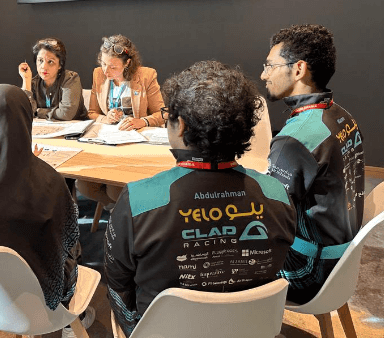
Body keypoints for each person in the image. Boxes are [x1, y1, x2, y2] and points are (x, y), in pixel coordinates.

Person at [104, 61, 296, 337]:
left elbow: (118, 282)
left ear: (181, 126)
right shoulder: (277, 193)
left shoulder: (138, 200)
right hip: (250, 330)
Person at [0, 84, 94, 335]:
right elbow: (66, 239)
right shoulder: (47, 181)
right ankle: (73, 319)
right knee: (75, 247)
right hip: (36, 301)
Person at [261, 24, 365, 304]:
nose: (264, 75)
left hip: (308, 271)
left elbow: (269, 216)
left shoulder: (295, 139)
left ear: (298, 69)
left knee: (215, 256)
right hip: (342, 261)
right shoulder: (342, 116)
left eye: (270, 66)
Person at [77, 34, 165, 207]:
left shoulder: (146, 75)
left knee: (115, 189)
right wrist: (105, 118)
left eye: (113, 67)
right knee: (84, 186)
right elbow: (92, 113)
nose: (106, 71)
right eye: (103, 63)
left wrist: (142, 121)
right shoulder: (98, 75)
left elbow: (163, 114)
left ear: (127, 63)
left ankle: (122, 213)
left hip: (136, 146)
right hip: (108, 144)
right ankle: (117, 210)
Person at [18, 37, 87, 120]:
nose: (43, 66)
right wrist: (26, 80)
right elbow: (25, 112)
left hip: (77, 126)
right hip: (46, 127)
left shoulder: (71, 79)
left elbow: (66, 114)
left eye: (50, 62)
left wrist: (39, 112)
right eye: (40, 60)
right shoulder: (34, 83)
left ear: (60, 65)